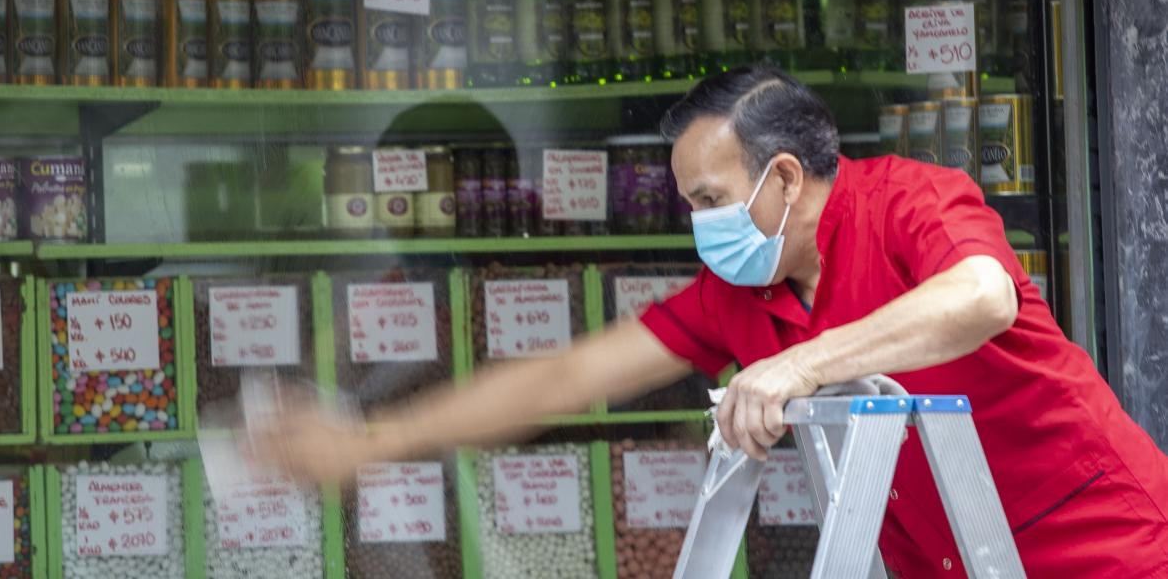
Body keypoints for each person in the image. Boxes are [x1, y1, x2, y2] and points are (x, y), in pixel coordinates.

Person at [255, 65, 1168, 577]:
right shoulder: (741, 293)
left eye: (708, 198)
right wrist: (373, 441)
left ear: (781, 179)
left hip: (1104, 542)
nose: (697, 223)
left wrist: (801, 366)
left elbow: (982, 296)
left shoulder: (909, 201)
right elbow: (568, 376)